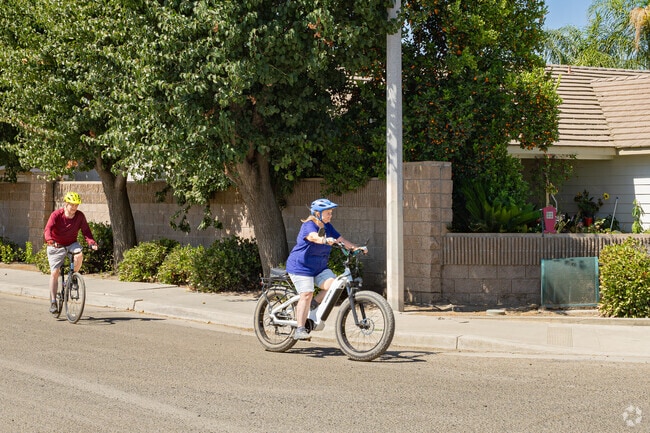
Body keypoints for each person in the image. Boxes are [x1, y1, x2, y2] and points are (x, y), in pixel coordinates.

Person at [285, 198, 366, 340]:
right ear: (317, 213)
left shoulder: (328, 227)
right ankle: (300, 329)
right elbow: (313, 237)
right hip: (300, 267)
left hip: (319, 267)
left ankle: (313, 304)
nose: (330, 215)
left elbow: (342, 240)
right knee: (307, 293)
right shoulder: (309, 225)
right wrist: (324, 240)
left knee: (333, 285)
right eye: (328, 213)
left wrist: (355, 248)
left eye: (331, 212)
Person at [43, 191, 98, 313]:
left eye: (76, 205)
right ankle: (53, 302)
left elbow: (86, 232)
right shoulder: (56, 215)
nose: (74, 207)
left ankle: (73, 277)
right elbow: (48, 229)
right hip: (56, 245)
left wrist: (92, 243)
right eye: (72, 205)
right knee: (55, 273)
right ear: (66, 204)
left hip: (71, 243)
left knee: (79, 255)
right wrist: (50, 240)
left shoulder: (80, 216)